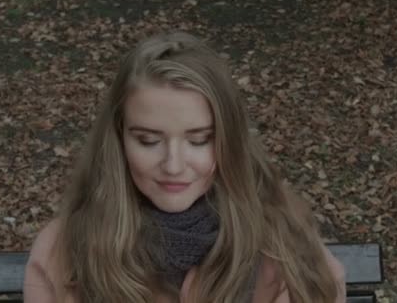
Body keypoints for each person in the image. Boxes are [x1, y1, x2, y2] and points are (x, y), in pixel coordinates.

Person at [23, 31, 346, 302]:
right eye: (149, 141)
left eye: (199, 140)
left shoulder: (284, 245)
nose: (174, 166)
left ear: (228, 142)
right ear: (119, 139)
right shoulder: (62, 252)